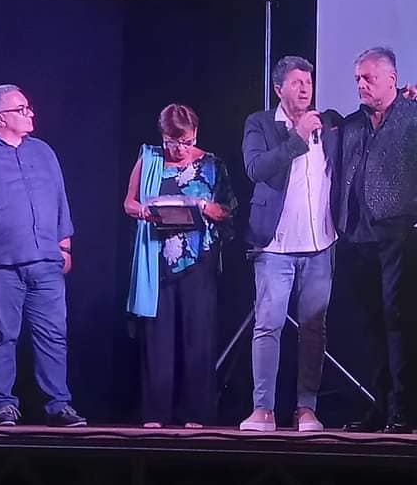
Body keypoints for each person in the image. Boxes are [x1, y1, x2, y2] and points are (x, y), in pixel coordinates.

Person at [0, 84, 86, 427]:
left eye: (28, 107)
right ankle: (2, 405)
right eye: (22, 109)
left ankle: (58, 404)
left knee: (53, 335)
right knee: (0, 335)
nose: (30, 113)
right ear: (0, 118)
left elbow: (59, 198)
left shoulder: (43, 152)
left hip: (45, 261)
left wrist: (64, 244)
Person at [335, 47, 417, 433]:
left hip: (401, 234)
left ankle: (402, 409)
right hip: (358, 234)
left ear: (392, 79)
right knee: (370, 323)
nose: (361, 85)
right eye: (357, 79)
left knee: (397, 319)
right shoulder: (352, 124)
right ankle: (379, 406)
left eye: (368, 78)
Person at [239, 56, 338, 433]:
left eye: (308, 82)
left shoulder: (326, 123)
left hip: (320, 244)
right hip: (274, 246)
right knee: (268, 325)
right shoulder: (260, 123)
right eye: (296, 82)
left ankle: (306, 409)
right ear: (278, 88)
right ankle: (262, 409)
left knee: (313, 328)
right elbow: (256, 169)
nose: (304, 88)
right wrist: (297, 138)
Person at [124, 103, 236, 428]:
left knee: (196, 335)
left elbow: (228, 209)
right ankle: (156, 411)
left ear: (195, 134)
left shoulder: (212, 164)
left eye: (187, 141)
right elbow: (129, 202)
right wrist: (145, 211)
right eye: (174, 142)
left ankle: (195, 412)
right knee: (158, 338)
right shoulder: (149, 159)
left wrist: (204, 207)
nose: (181, 149)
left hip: (198, 259)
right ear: (163, 136)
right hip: (157, 258)